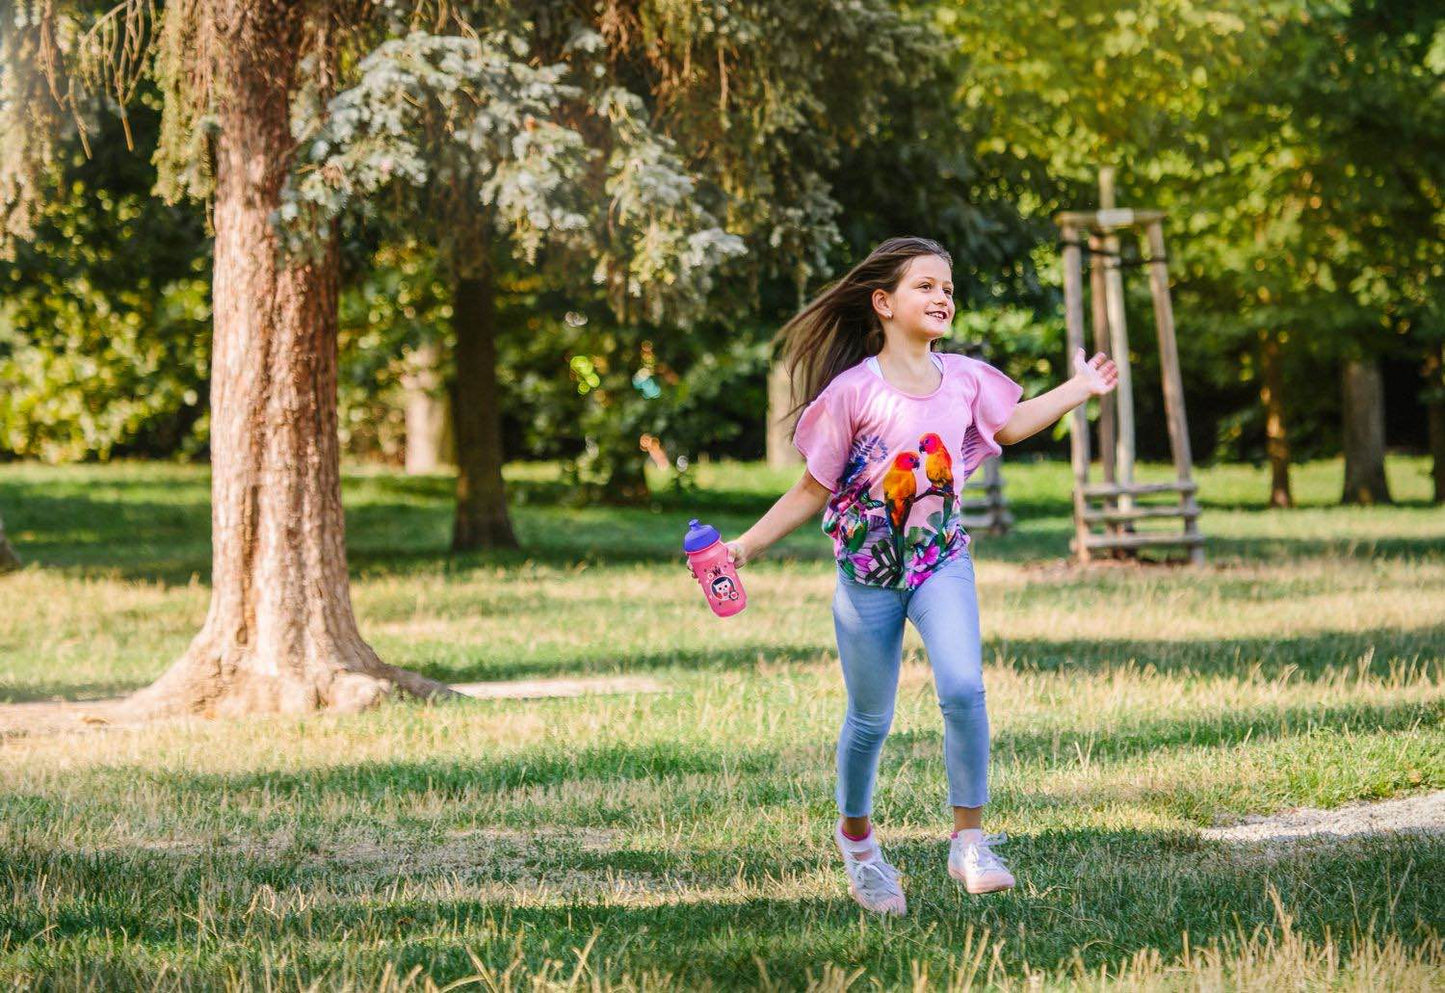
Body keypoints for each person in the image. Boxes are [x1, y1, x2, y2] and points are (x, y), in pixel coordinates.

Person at [724, 236, 1118, 916]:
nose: (942, 297)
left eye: (947, 288)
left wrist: (1079, 388)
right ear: (883, 303)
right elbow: (811, 488)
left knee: (964, 689)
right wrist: (746, 546)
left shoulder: (964, 378)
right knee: (870, 719)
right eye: (925, 286)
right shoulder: (851, 393)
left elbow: (1013, 422)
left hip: (940, 561)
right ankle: (859, 844)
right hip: (867, 575)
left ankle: (969, 839)